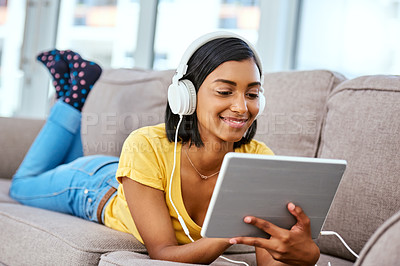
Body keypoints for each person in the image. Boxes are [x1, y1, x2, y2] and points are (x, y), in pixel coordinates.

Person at [9, 32, 320, 265]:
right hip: (93, 187)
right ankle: (72, 100)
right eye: (225, 91)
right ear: (186, 96)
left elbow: (270, 260)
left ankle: (70, 90)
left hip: (133, 178)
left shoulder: (260, 160)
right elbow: (163, 253)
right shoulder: (144, 145)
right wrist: (232, 232)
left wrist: (303, 253)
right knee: (22, 186)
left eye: (252, 94)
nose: (241, 107)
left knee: (56, 167)